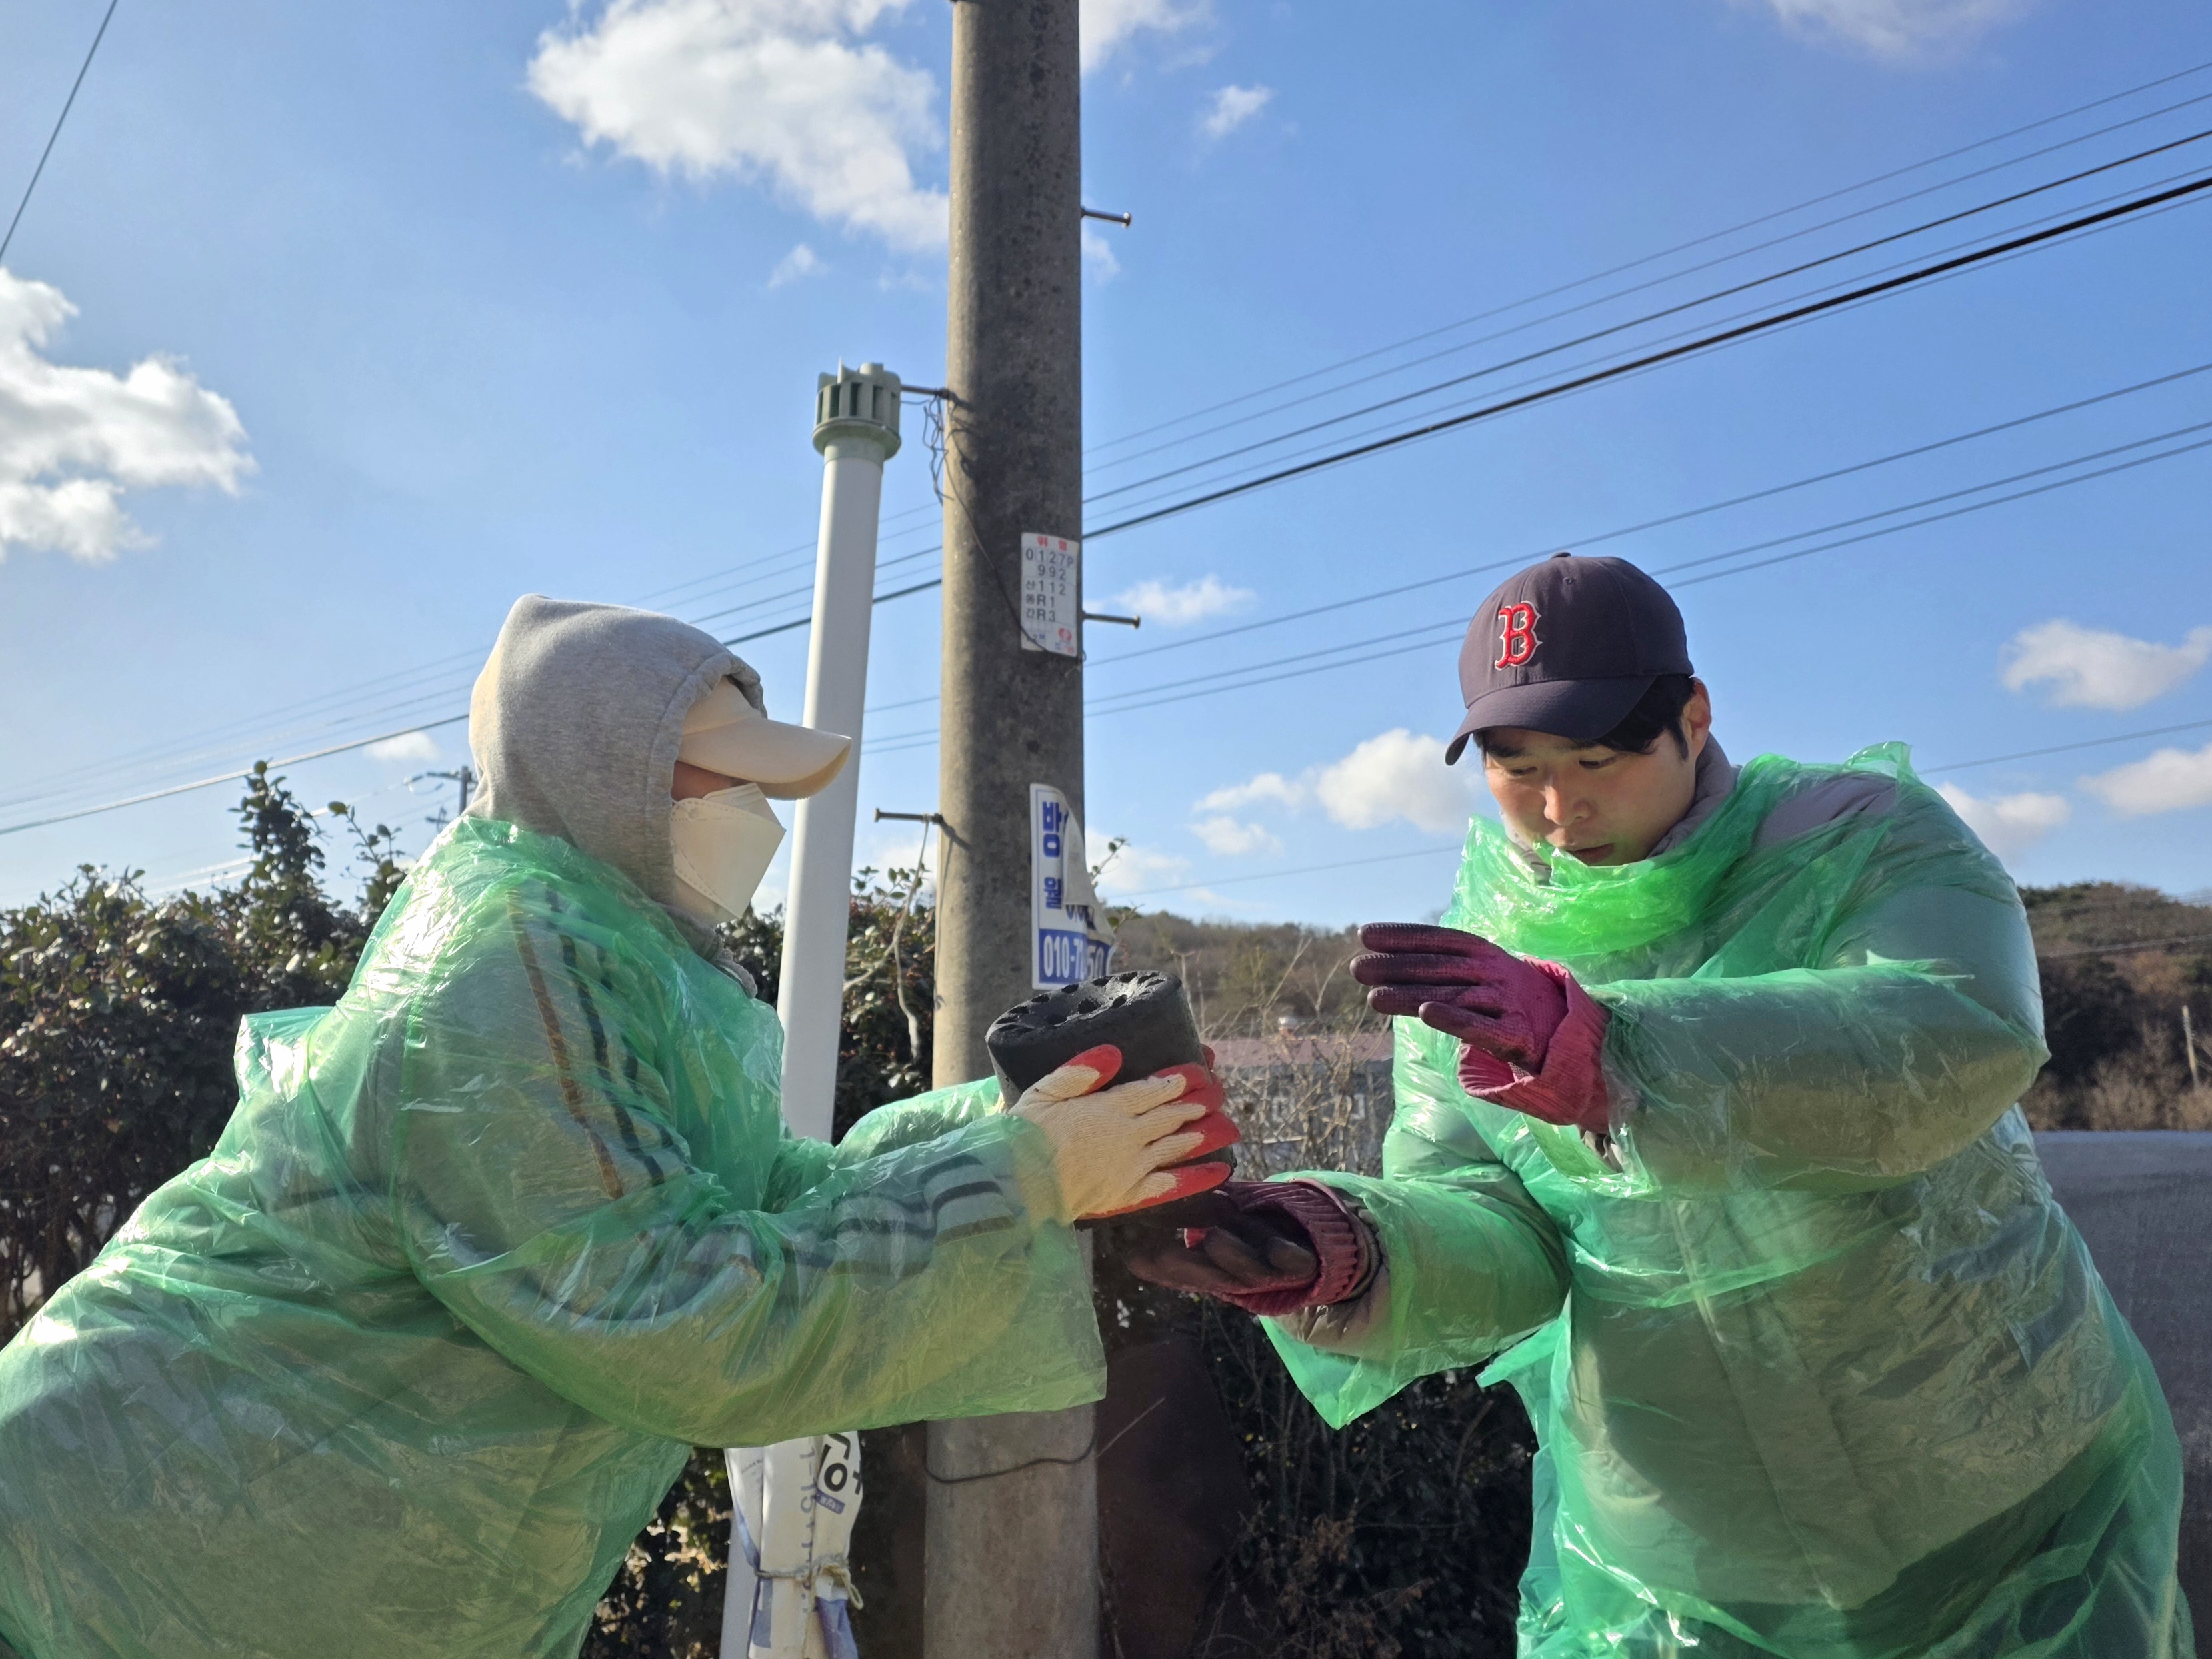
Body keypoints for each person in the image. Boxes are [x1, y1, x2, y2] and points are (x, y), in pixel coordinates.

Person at [0, 595, 1231, 1659]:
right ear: (603, 773)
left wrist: (1009, 1127)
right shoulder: (503, 966)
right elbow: (678, 1311)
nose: (757, 812)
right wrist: (1018, 1176)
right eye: (726, 775)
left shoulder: (614, 958)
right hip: (123, 1543)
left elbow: (755, 1201)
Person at [1129, 554, 2193, 1657]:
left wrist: (1617, 1052)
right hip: (1682, 1556)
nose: (1559, 809)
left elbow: (1953, 1030)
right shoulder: (1475, 966)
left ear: (1692, 718)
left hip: (1995, 1496)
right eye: (1516, 769)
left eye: (1596, 759)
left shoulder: (1852, 839)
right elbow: (1501, 1230)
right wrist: (1347, 1248)